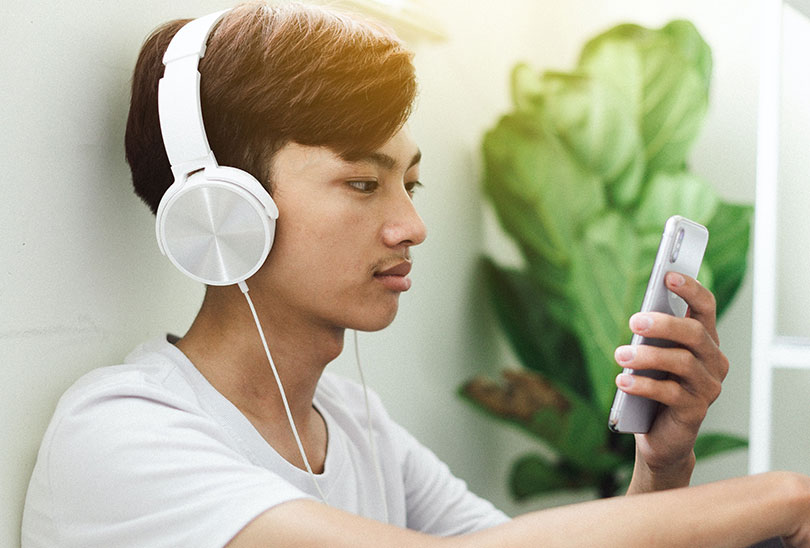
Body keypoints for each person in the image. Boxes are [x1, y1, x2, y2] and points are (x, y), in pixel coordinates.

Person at [20, 2, 810, 547]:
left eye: (411, 184)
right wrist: (777, 498)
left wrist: (662, 466)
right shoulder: (122, 433)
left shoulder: (353, 425)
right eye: (363, 184)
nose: (412, 226)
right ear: (223, 210)